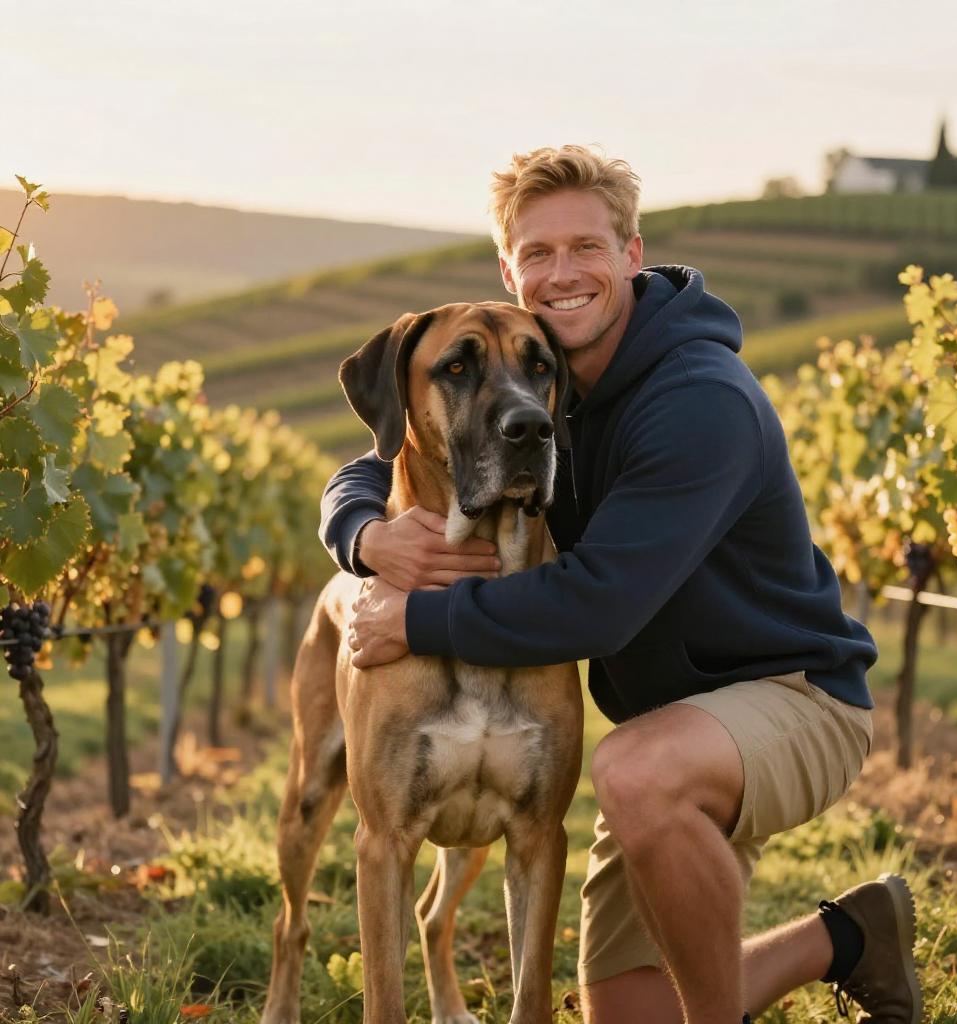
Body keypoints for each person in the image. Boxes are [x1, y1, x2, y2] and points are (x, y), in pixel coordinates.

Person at [319, 145, 922, 1024]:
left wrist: (416, 621)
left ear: (632, 253)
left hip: (794, 697)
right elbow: (383, 457)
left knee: (633, 771)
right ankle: (849, 937)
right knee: (628, 1012)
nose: (563, 273)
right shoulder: (541, 377)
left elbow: (598, 604)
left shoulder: (699, 400)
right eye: (538, 253)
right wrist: (364, 535)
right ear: (510, 271)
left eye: (587, 247)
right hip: (672, 725)